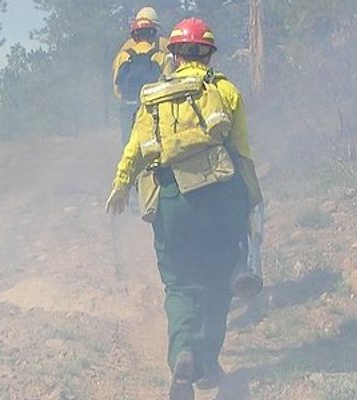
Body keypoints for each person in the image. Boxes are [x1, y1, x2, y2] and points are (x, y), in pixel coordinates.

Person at [105, 17, 263, 400]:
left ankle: (183, 354)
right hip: (221, 196)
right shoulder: (224, 90)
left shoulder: (153, 98)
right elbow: (241, 152)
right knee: (218, 281)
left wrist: (120, 185)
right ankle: (208, 360)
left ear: (172, 55)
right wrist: (253, 199)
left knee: (179, 284)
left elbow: (134, 151)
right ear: (208, 53)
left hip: (173, 200)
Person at [111, 6, 171, 145]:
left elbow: (117, 85)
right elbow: (169, 84)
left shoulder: (124, 53)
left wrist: (127, 100)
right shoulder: (164, 51)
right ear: (154, 30)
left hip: (128, 108)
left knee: (129, 145)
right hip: (154, 109)